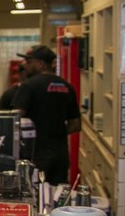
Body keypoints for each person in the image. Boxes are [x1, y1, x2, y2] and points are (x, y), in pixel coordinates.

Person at [12, 45, 81, 185]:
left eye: (29, 61)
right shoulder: (67, 87)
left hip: (35, 154)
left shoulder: (29, 85)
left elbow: (15, 119)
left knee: (32, 192)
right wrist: (56, 132)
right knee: (57, 193)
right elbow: (75, 125)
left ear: (40, 64)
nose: (25, 65)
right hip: (60, 155)